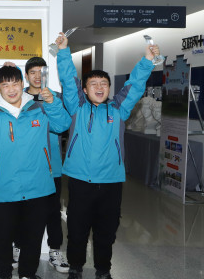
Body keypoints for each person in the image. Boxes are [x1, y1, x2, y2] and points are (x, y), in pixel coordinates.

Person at [55, 32, 159, 279]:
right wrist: (63, 51)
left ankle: (103, 270)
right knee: (77, 229)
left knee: (107, 231)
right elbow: (68, 80)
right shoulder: (77, 107)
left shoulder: (119, 108)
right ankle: (76, 267)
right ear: (85, 89)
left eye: (104, 84)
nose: (99, 87)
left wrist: (147, 60)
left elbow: (135, 85)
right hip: (80, 180)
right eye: (93, 84)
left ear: (110, 88)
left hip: (111, 181)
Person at [0, 65, 71, 279]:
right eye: (5, 85)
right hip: (4, 185)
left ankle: (27, 273)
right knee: (4, 236)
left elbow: (62, 125)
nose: (11, 89)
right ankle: (4, 274)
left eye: (15, 84)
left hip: (39, 184)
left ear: (22, 84)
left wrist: (52, 103)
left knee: (33, 236)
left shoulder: (39, 108)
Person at [23, 56, 70, 273]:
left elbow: (62, 126)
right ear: (26, 75)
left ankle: (55, 250)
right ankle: (18, 246)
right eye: (32, 72)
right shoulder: (18, 96)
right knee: (22, 209)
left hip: (52, 166)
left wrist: (51, 102)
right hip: (25, 165)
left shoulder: (55, 97)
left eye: (41, 72)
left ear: (46, 75)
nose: (36, 76)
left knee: (52, 211)